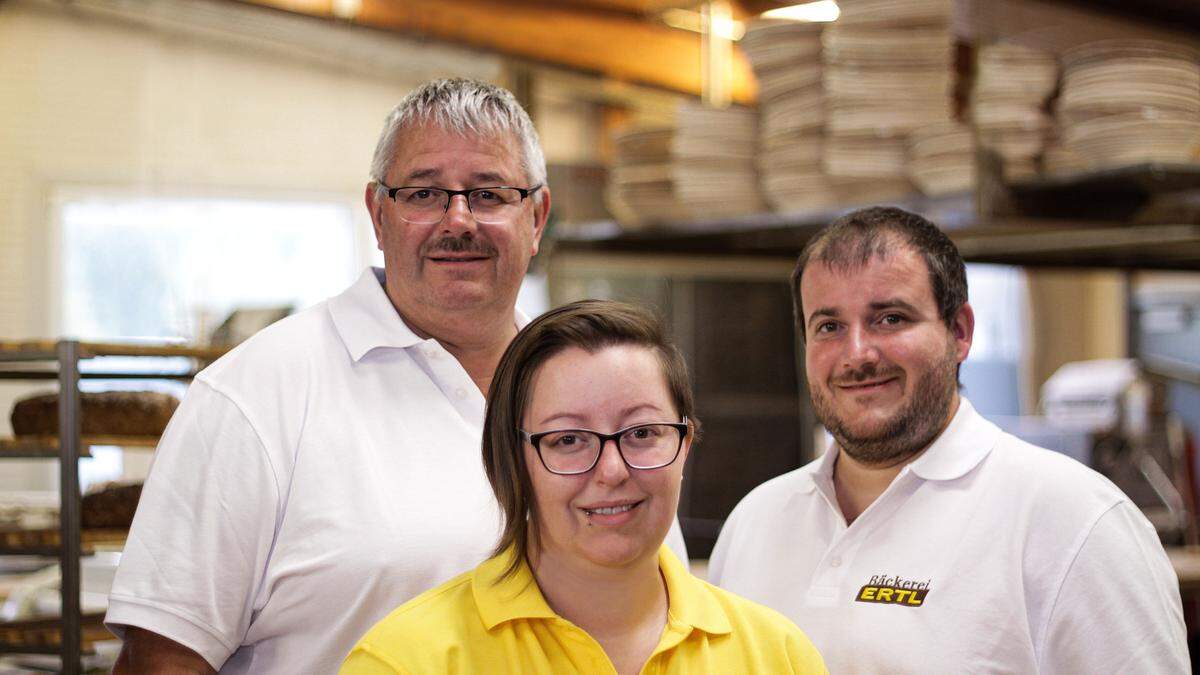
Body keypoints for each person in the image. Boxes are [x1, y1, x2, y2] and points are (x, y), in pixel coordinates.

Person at [105, 79, 686, 674]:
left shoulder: (599, 393)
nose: (458, 221)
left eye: (488, 194)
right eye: (424, 193)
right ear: (378, 215)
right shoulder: (253, 398)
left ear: (537, 217)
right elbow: (163, 661)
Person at [709, 206, 1189, 673]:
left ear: (959, 332)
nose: (856, 354)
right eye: (829, 326)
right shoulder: (755, 521)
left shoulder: (1075, 521)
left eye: (890, 318)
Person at [341, 299, 827, 674]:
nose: (612, 470)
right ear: (515, 458)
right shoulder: (406, 661)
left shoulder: (775, 654)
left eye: (642, 433)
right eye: (568, 439)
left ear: (685, 443)